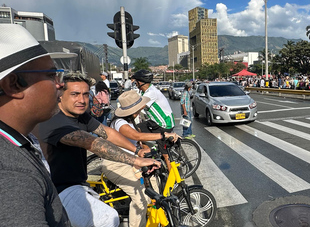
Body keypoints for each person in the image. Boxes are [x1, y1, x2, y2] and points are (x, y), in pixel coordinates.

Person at [39, 73, 159, 227]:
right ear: (60, 95)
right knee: (107, 218)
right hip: (57, 190)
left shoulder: (81, 116)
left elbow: (106, 132)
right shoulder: (55, 121)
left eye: (85, 94)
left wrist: (136, 150)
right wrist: (137, 160)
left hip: (77, 184)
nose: (82, 100)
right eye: (75, 94)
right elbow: (93, 143)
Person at [0, 24, 73, 226]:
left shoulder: (21, 141)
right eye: (51, 75)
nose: (60, 84)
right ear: (13, 84)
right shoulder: (11, 173)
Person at [104, 91, 180, 227]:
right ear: (133, 111)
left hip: (131, 161)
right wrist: (164, 135)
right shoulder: (120, 123)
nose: (141, 109)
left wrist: (147, 150)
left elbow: (139, 142)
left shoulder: (131, 120)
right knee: (141, 199)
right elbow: (136, 136)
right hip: (117, 164)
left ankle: (154, 221)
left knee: (155, 190)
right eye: (139, 108)